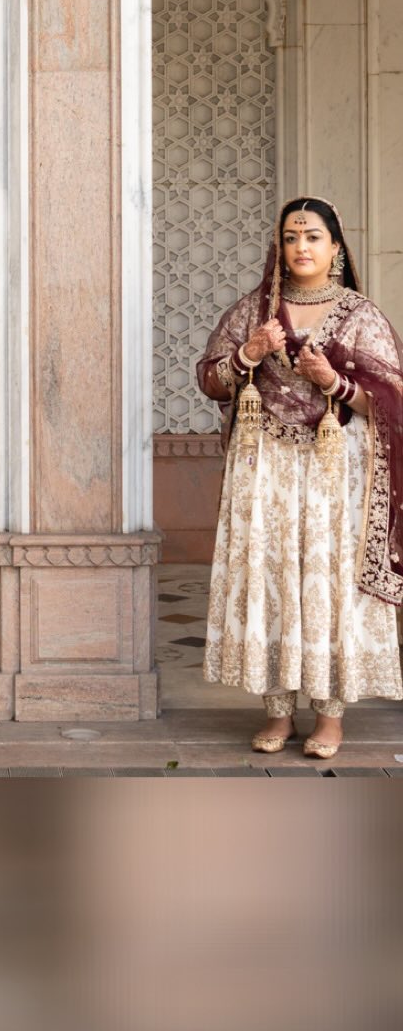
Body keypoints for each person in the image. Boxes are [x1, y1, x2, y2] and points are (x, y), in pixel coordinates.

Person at [198, 196, 403, 759]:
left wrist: (333, 382)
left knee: (325, 577)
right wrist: (249, 353)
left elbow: (394, 401)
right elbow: (214, 381)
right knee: (268, 572)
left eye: (313, 236)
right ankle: (277, 711)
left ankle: (331, 716)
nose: (301, 247)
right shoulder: (254, 311)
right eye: (291, 237)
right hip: (263, 464)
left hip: (334, 470)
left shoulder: (360, 315)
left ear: (336, 247)